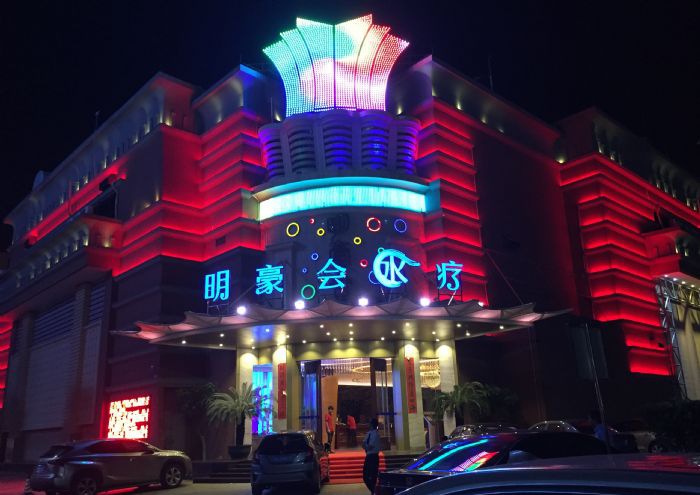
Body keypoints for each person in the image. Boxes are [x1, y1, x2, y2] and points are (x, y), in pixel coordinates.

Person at [362, 417, 381, 493]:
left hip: (373, 456)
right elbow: (363, 444)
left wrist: (366, 446)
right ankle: (373, 491)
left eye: (370, 423)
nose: (368, 425)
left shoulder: (376, 434)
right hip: (368, 456)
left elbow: (370, 446)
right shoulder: (369, 433)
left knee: (373, 476)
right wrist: (366, 446)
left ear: (372, 424)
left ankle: (374, 491)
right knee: (365, 476)